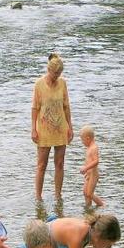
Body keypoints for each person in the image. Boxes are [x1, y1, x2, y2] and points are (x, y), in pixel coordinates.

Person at [32, 53, 73, 201]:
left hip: (60, 127)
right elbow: (35, 108)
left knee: (60, 163)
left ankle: (57, 194)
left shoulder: (62, 83)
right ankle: (38, 196)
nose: (57, 76)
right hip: (43, 129)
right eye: (55, 73)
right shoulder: (39, 84)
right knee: (42, 165)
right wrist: (33, 129)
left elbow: (66, 106)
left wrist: (70, 127)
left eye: (59, 73)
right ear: (49, 70)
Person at [79, 125, 104, 208]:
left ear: (88, 138)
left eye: (82, 140)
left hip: (93, 175)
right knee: (85, 192)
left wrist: (86, 168)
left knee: (89, 193)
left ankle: (101, 205)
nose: (82, 142)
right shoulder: (89, 147)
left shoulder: (94, 148)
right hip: (89, 174)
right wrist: (86, 170)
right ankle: (88, 208)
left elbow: (96, 161)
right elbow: (89, 161)